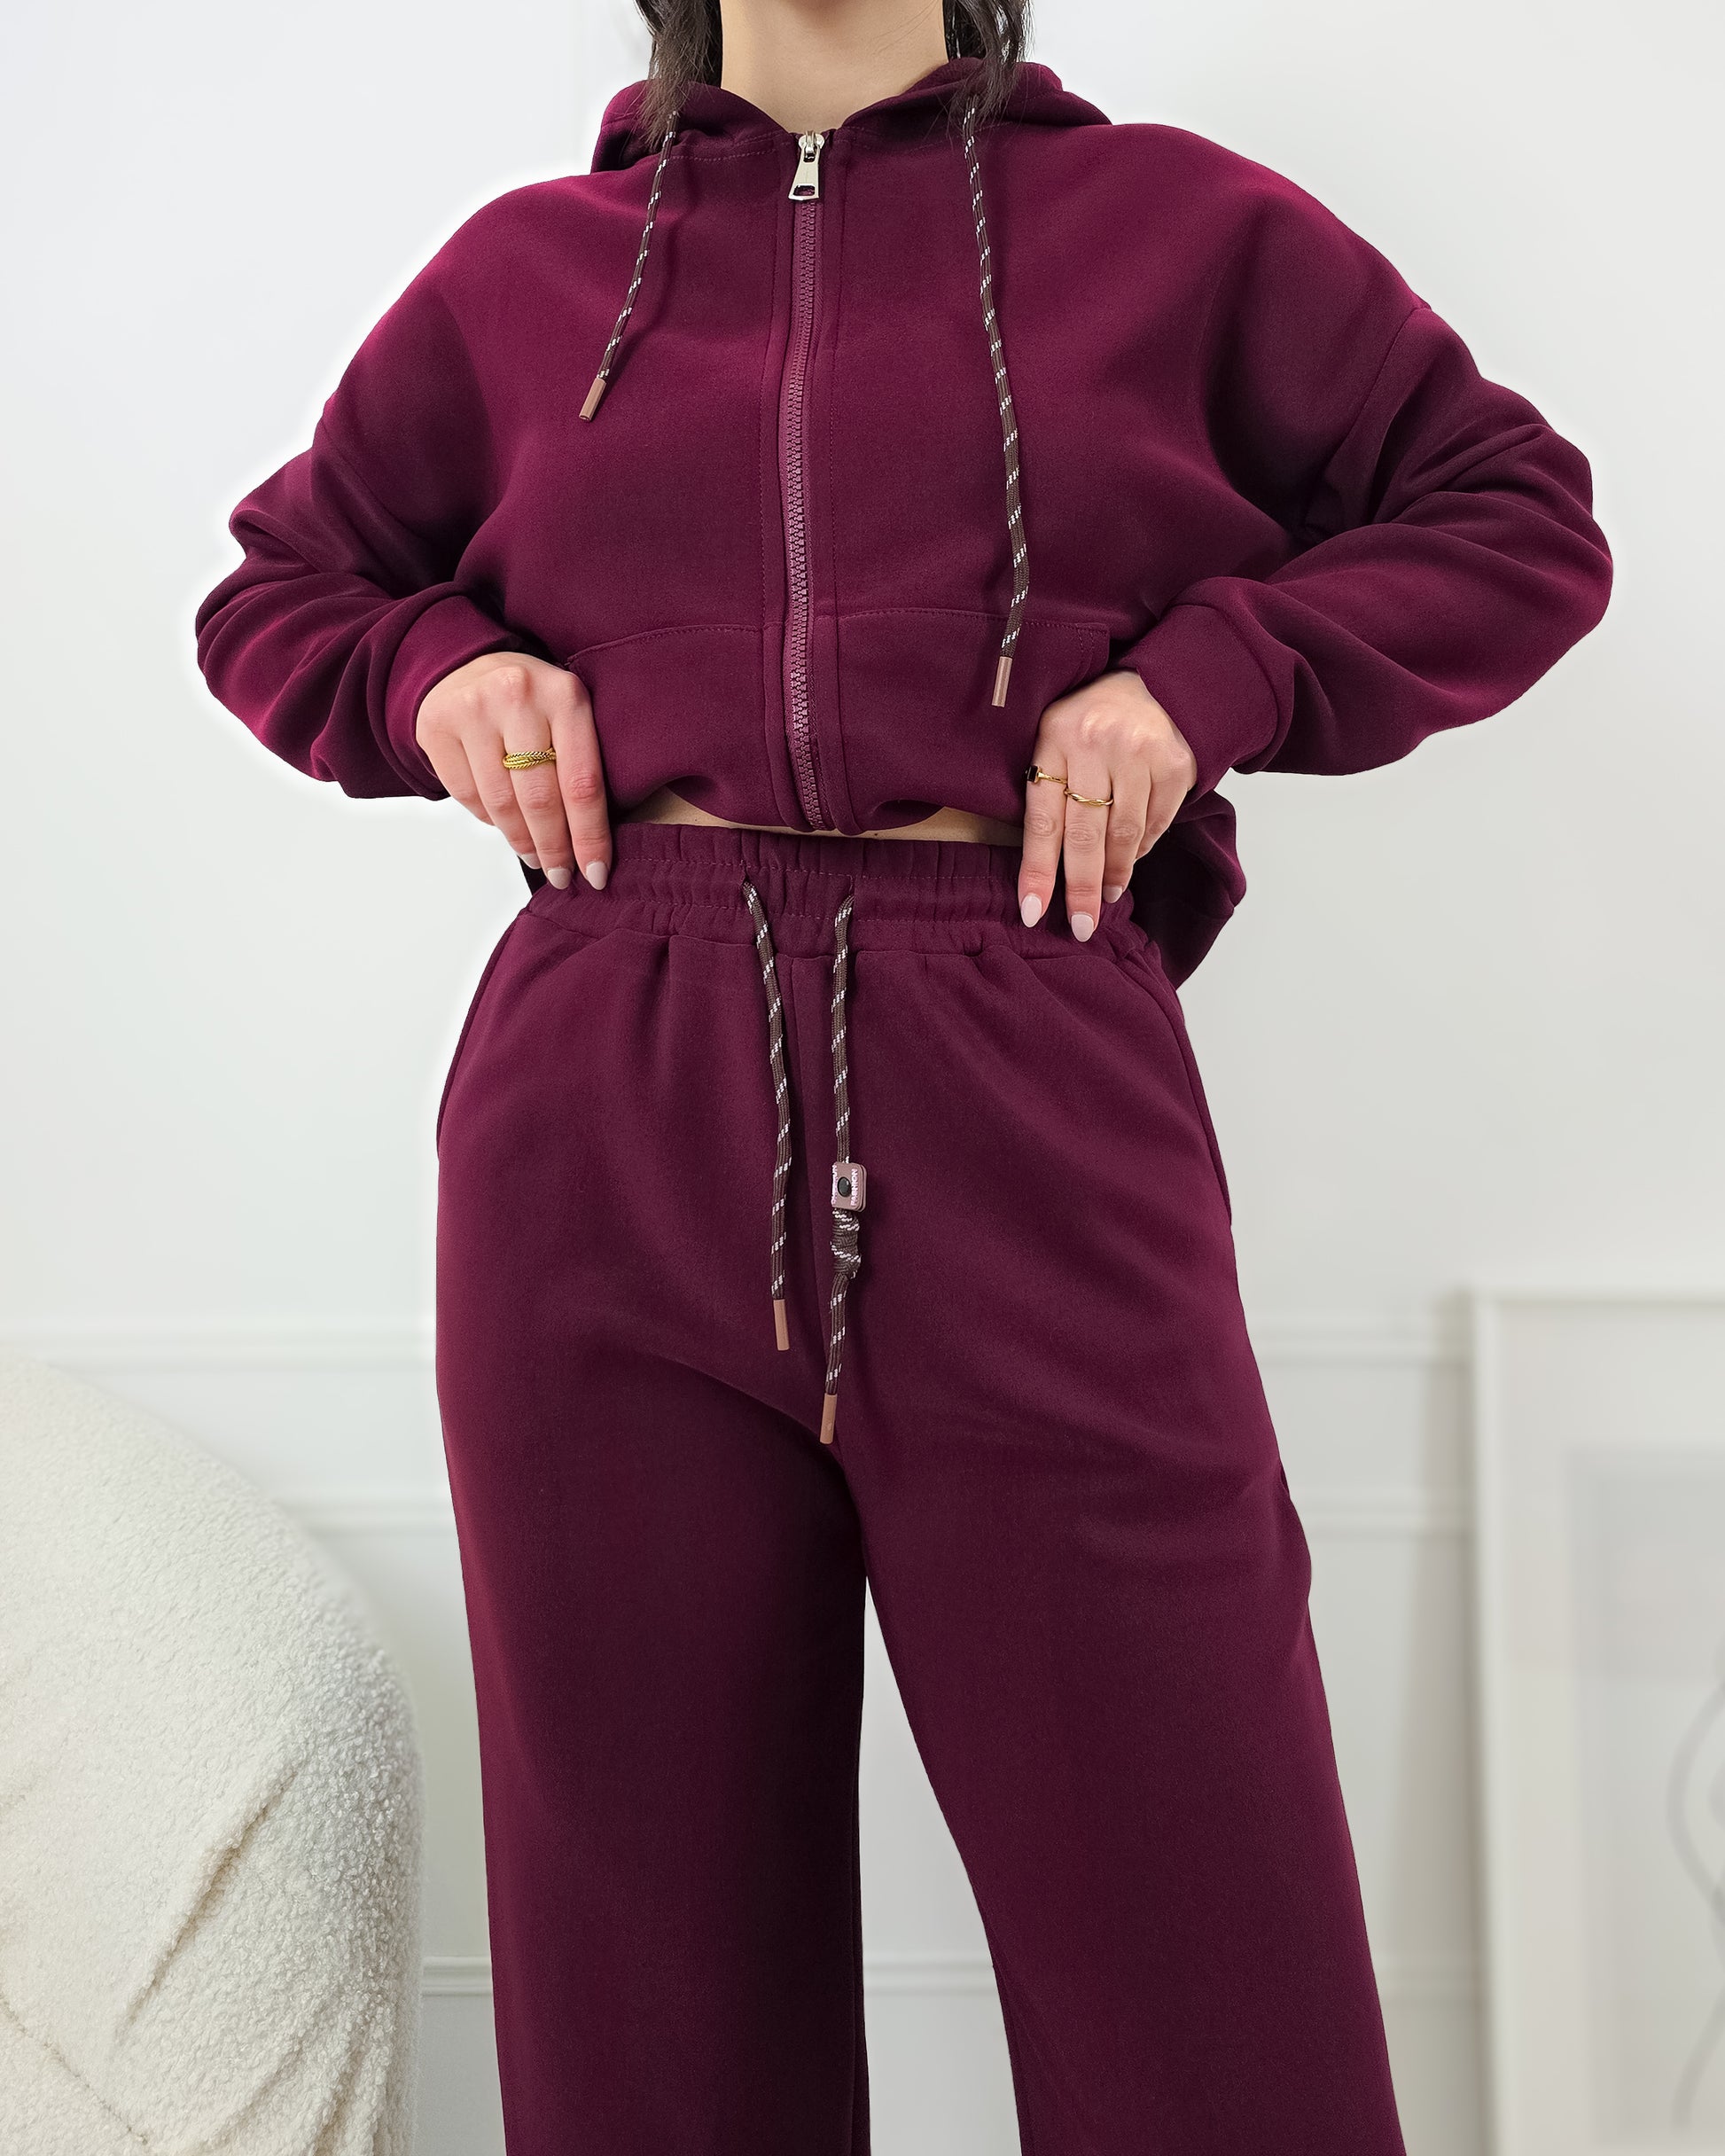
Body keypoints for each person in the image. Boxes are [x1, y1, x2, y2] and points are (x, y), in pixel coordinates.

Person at [194, 1, 1612, 2149]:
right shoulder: (525, 275)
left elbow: (1513, 515)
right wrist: (431, 666)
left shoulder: (1180, 230)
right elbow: (282, 587)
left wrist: (1208, 679)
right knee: (649, 2011)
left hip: (1026, 1062)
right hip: (607, 1091)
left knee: (1209, 1981)